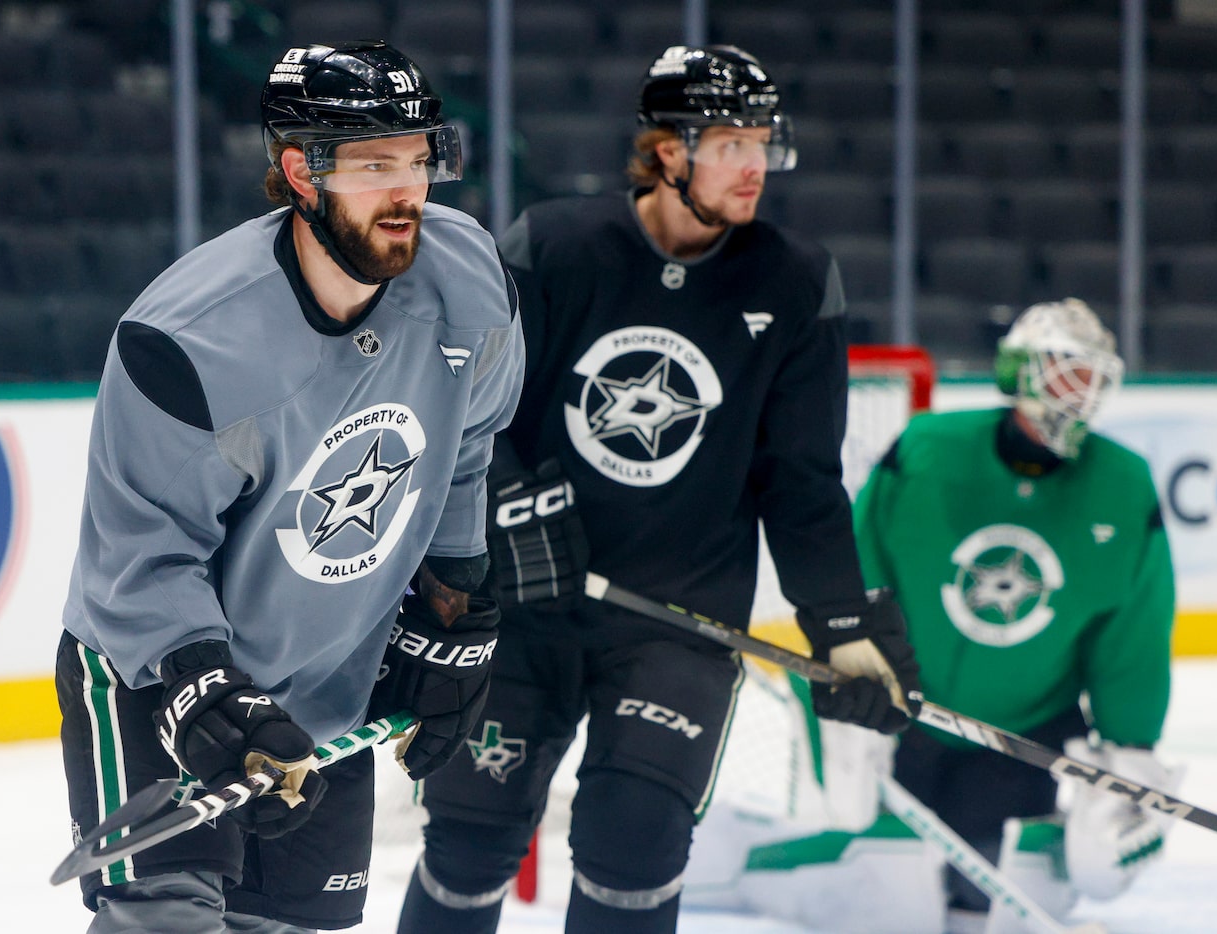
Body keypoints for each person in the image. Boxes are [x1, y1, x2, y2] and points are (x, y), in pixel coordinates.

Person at [395, 44, 922, 934]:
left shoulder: (795, 281)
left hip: (680, 621)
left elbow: (801, 481)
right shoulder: (555, 245)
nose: (754, 166)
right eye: (729, 144)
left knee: (635, 843)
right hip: (521, 612)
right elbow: (474, 405)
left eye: (763, 143)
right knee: (470, 841)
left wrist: (843, 625)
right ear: (669, 152)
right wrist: (512, 503)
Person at [54, 41, 524, 933]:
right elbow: (141, 564)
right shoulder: (186, 341)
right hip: (155, 672)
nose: (407, 192)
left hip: (324, 673)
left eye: (420, 159)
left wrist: (453, 605)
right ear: (298, 171)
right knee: (169, 921)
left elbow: (465, 450)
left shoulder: (468, 281)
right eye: (374, 164)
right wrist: (207, 693)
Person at [683, 298, 1180, 934]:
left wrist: (1129, 752)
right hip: (903, 713)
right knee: (881, 890)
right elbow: (851, 576)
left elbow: (1131, 635)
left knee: (986, 898)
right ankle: (749, 858)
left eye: (1090, 377)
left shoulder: (1124, 485)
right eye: (1064, 371)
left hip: (1020, 736)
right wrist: (838, 701)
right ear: (1019, 372)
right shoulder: (928, 451)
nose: (1077, 393)